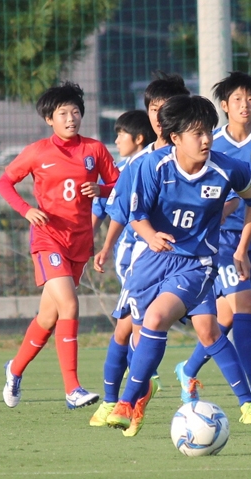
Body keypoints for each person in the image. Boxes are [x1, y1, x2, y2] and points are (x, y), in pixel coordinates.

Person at [105, 94, 251, 436]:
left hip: (197, 263)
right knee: (140, 332)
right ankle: (139, 398)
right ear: (175, 138)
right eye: (197, 133)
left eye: (208, 131)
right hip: (152, 259)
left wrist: (240, 246)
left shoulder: (228, 168)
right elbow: (137, 215)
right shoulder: (153, 166)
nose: (206, 139)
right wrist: (149, 236)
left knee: (161, 318)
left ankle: (125, 400)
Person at [0, 82, 119, 409]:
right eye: (63, 113)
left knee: (48, 318)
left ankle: (15, 368)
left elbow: (118, 182)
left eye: (76, 112)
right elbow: (4, 181)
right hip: (48, 239)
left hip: (79, 243)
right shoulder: (37, 151)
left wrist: (103, 191)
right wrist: (26, 210)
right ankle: (72, 388)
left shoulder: (94, 150)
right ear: (49, 119)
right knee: (71, 306)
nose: (71, 118)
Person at [175, 71, 251, 406]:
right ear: (225, 105)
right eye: (238, 100)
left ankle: (189, 368)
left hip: (250, 235)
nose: (245, 105)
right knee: (246, 305)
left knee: (226, 316)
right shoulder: (209, 142)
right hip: (222, 240)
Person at [89, 73, 190, 432]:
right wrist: (106, 245)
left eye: (165, 108)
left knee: (147, 328)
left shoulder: (197, 157)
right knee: (126, 331)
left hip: (187, 260)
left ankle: (130, 399)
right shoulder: (138, 162)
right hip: (140, 259)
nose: (159, 115)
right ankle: (118, 400)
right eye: (152, 108)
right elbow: (121, 209)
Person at [91, 109, 156, 240]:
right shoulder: (118, 170)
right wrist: (85, 243)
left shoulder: (159, 166)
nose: (116, 141)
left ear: (138, 138)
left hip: (153, 242)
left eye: (121, 135)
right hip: (125, 243)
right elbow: (98, 208)